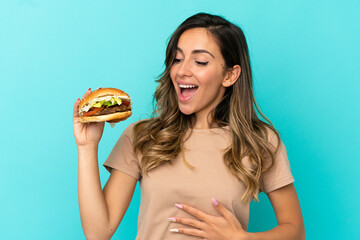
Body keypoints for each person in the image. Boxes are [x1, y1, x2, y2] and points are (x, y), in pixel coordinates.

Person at [73, 12, 305, 240]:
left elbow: (295, 230)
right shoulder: (142, 136)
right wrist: (87, 146)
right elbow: (98, 233)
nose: (182, 71)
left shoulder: (259, 140)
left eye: (200, 61)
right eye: (177, 59)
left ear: (230, 75)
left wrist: (242, 239)